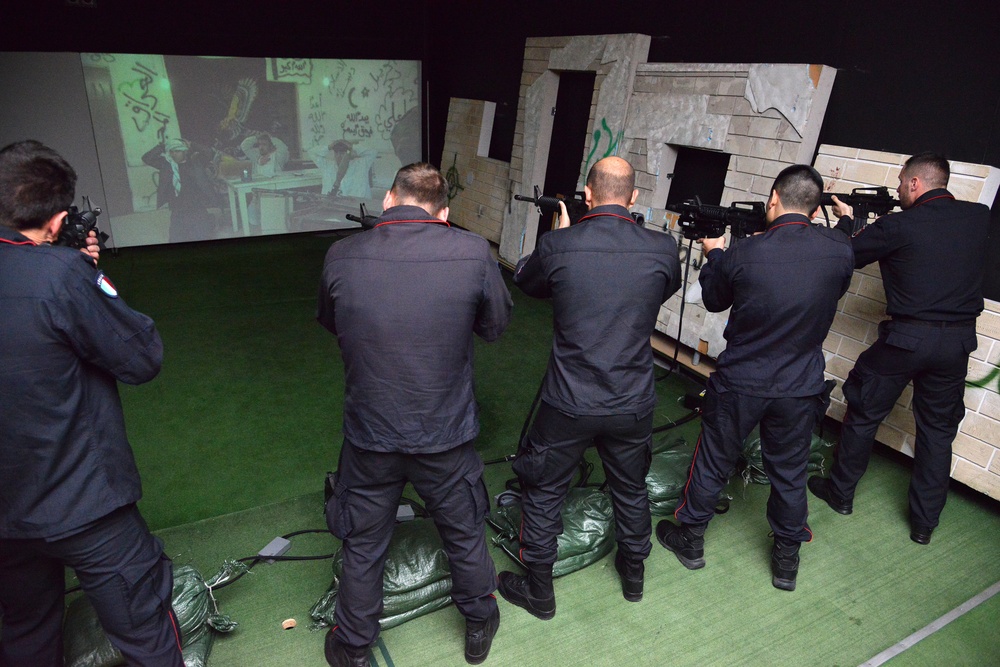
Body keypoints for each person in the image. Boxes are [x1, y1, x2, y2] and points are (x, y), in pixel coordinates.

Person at [317, 162, 512, 667]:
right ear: (443, 212)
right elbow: (495, 327)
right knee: (464, 531)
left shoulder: (341, 254)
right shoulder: (471, 251)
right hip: (443, 435)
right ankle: (478, 622)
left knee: (364, 545)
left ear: (388, 200)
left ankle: (353, 648)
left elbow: (331, 322)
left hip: (370, 435)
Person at [0, 140, 183, 666]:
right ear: (57, 221)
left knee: (27, 629)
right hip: (84, 503)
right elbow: (141, 357)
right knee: (144, 629)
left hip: (7, 514)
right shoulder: (62, 276)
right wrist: (86, 276)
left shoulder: (54, 270)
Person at [656, 165, 854, 591]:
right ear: (815, 206)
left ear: (773, 199)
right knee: (788, 471)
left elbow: (712, 299)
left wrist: (714, 254)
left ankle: (690, 539)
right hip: (800, 385)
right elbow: (826, 289)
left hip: (741, 381)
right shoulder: (839, 249)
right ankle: (787, 561)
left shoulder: (744, 253)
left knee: (713, 459)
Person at [498, 156, 681, 616]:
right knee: (631, 487)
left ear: (587, 195)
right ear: (634, 197)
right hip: (631, 401)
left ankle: (540, 593)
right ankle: (634, 576)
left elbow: (527, 280)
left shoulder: (561, 245)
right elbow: (658, 289)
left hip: (569, 403)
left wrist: (557, 237)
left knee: (543, 492)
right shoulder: (662, 248)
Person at [808, 153, 990, 545]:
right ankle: (924, 525)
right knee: (938, 433)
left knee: (863, 411)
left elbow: (847, 255)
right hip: (957, 342)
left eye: (901, 181)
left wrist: (851, 222)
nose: (896, 187)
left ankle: (840, 494)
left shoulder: (898, 225)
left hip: (908, 339)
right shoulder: (978, 217)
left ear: (914, 184)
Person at [142, 137, 221, 243]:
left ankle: (209, 220)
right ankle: (209, 220)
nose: (174, 154)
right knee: (175, 240)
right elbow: (146, 158)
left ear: (184, 151)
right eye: (171, 151)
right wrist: (162, 146)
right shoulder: (167, 164)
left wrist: (192, 144)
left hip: (197, 207)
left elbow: (209, 153)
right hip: (177, 210)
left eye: (177, 151)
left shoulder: (195, 162)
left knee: (201, 238)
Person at [308, 139, 378, 199]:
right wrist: (329, 147)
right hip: (333, 207)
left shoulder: (361, 164)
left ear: (348, 153)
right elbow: (311, 152)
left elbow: (373, 152)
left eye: (342, 153)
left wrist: (352, 147)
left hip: (358, 206)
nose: (339, 156)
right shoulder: (327, 166)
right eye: (336, 153)